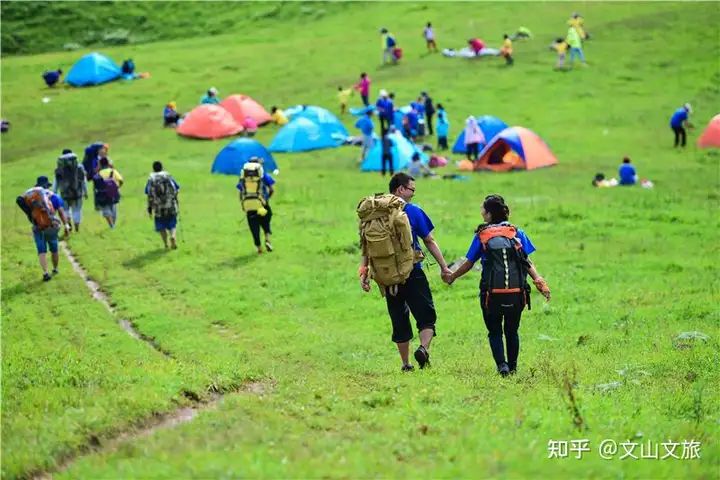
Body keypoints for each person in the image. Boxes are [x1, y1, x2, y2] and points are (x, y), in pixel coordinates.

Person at [442, 194, 551, 376]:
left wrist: (453, 276)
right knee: (512, 331)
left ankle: (502, 366)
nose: (481, 213)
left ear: (489, 214)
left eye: (483, 210)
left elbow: (469, 263)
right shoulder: (517, 233)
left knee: (494, 331)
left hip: (490, 293)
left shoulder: (483, 235)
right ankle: (514, 367)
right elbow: (527, 261)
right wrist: (540, 283)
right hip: (516, 292)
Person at [359, 173, 451, 371]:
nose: (413, 194)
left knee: (398, 318)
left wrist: (364, 271)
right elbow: (429, 240)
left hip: (387, 276)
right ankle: (424, 349)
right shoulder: (412, 211)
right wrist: (444, 267)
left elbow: (366, 246)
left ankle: (406, 364)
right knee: (426, 317)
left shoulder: (375, 215)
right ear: (400, 189)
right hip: (412, 271)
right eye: (412, 190)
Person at [16, 176, 71, 281]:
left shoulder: (31, 197)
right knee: (54, 248)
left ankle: (45, 272)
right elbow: (60, 212)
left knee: (41, 250)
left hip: (37, 226)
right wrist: (66, 225)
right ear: (47, 186)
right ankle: (55, 269)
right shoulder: (53, 196)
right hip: (51, 226)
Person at [237, 157, 276, 254]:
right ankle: (267, 239)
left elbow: (241, 192)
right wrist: (266, 200)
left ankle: (259, 248)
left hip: (249, 206)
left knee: (254, 227)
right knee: (266, 221)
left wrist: (243, 205)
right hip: (262, 205)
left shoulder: (243, 178)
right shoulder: (264, 176)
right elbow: (271, 190)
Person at [145, 161, 180, 249]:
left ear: (153, 169)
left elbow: (148, 193)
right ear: (162, 167)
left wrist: (149, 208)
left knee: (161, 225)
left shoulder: (151, 179)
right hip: (170, 204)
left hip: (158, 207)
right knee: (172, 223)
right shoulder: (168, 176)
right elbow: (176, 188)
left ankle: (166, 243)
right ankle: (173, 236)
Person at [53, 149, 87, 232]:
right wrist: (85, 192)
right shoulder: (79, 167)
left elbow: (56, 183)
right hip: (77, 192)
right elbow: (83, 181)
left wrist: (54, 193)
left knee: (65, 210)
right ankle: (77, 228)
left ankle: (68, 222)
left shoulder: (59, 169)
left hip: (64, 193)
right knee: (77, 210)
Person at [93, 157, 123, 228]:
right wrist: (117, 187)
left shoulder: (98, 174)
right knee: (113, 208)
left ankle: (112, 225)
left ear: (100, 165)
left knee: (106, 209)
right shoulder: (113, 171)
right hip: (113, 193)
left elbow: (95, 187)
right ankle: (113, 225)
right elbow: (121, 180)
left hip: (102, 194)